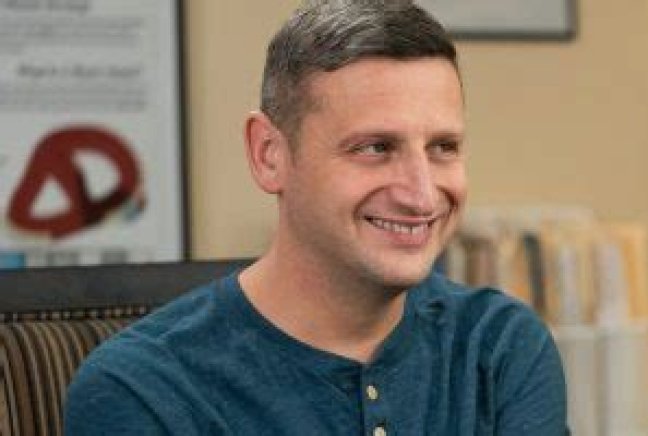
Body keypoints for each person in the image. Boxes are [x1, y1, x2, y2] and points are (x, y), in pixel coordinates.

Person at [65, 1, 568, 434]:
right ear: (268, 155)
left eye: (443, 147)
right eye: (375, 147)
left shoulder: (500, 346)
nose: (420, 195)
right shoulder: (141, 387)